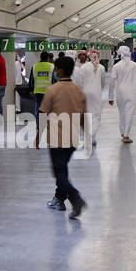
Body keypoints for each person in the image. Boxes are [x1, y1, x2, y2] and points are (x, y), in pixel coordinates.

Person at [36, 56, 88, 218]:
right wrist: (86, 138)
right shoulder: (79, 91)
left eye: (57, 68)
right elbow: (83, 117)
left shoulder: (53, 90)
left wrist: (38, 136)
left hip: (57, 138)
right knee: (62, 170)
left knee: (59, 172)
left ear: (60, 70)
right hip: (72, 138)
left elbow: (43, 114)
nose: (56, 71)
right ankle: (58, 199)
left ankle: (75, 198)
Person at [72, 50, 106, 147]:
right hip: (96, 93)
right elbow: (103, 82)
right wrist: (99, 89)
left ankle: (89, 137)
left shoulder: (83, 67)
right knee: (96, 116)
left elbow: (79, 82)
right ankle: (92, 136)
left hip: (85, 93)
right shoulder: (101, 67)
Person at [110, 45, 136, 144]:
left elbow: (111, 82)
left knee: (122, 113)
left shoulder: (116, 66)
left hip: (120, 93)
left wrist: (110, 97)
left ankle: (122, 132)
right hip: (131, 92)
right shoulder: (134, 65)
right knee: (129, 114)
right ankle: (126, 135)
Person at [31, 50, 54, 123]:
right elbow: (54, 79)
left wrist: (31, 90)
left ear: (40, 57)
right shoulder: (52, 66)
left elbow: (31, 79)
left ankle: (39, 124)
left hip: (38, 91)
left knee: (38, 108)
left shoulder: (35, 67)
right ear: (47, 57)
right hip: (49, 91)